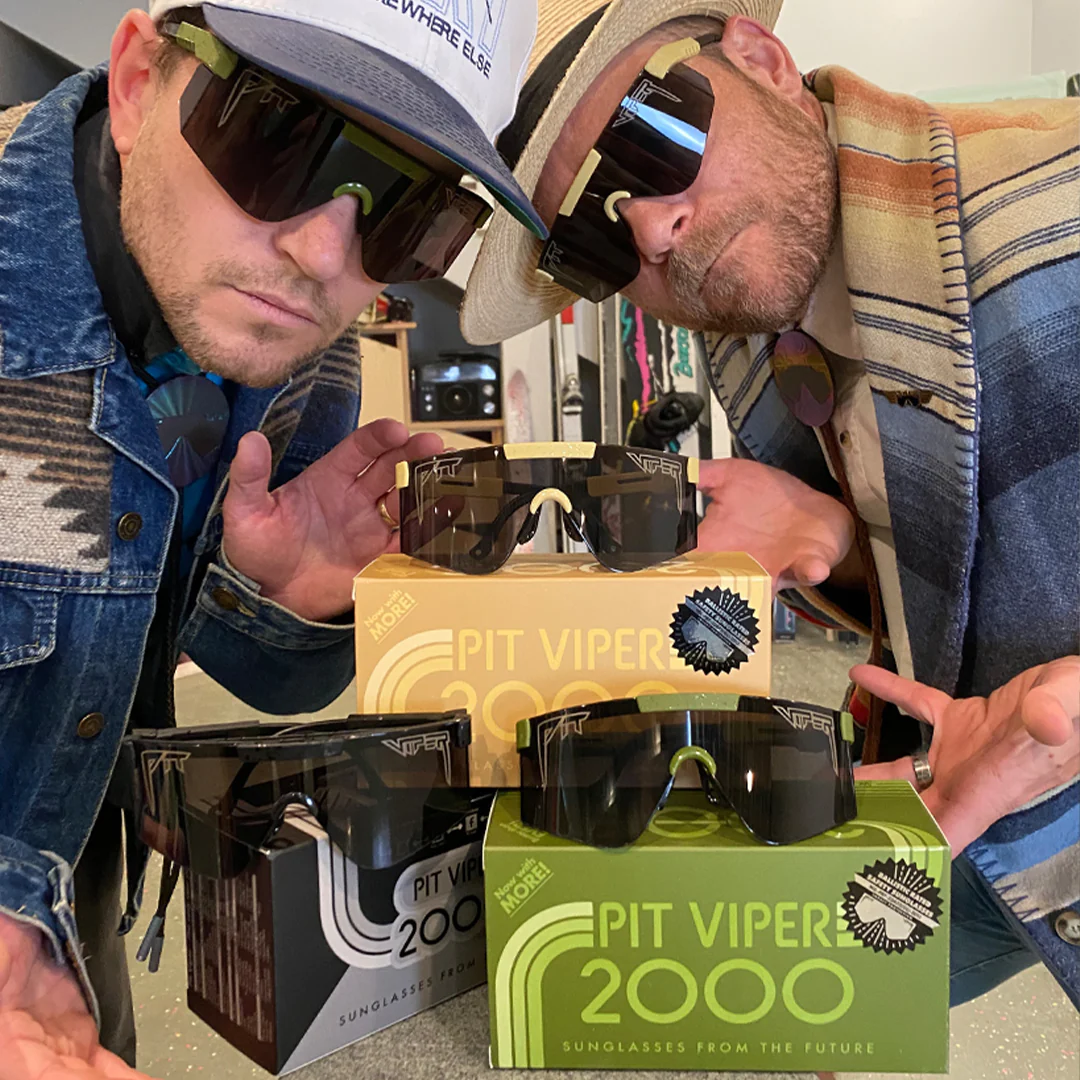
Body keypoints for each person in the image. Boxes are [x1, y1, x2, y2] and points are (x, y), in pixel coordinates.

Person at [460, 0, 1080, 1011]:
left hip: (1027, 795)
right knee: (745, 1000)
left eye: (650, 133)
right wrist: (840, 540)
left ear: (761, 58)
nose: (650, 230)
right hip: (990, 808)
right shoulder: (761, 326)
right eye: (591, 237)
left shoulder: (1057, 214)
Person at [0, 1, 544, 1076]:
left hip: (69, 960)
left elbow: (215, 667)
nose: (322, 252)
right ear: (138, 82)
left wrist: (275, 599)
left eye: (408, 212)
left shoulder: (301, 353)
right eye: (274, 135)